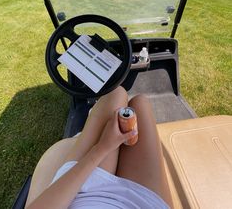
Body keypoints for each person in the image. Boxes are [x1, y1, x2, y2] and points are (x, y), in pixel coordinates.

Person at [26, 87, 173, 209]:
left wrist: (103, 147)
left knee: (117, 94)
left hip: (80, 195)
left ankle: (85, 133)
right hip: (140, 203)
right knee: (140, 103)